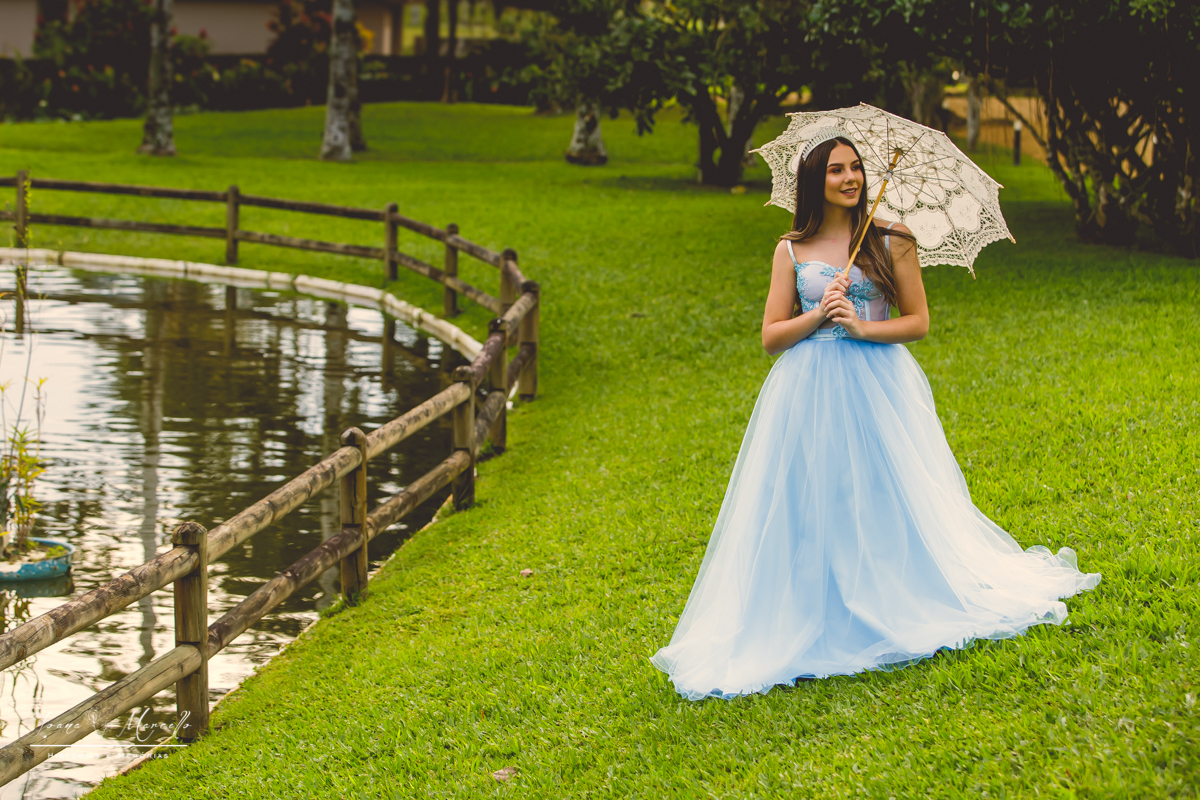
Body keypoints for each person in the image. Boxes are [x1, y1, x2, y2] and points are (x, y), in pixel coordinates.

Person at [650, 133, 1100, 701]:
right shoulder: (790, 249)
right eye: (836, 170)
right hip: (808, 386)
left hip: (877, 379)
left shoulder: (892, 238)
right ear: (814, 181)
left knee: (884, 487)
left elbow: (918, 322)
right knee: (817, 492)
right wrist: (818, 315)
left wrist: (861, 326)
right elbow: (770, 337)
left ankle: (893, 591)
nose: (850, 178)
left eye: (856, 168)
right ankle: (819, 601)